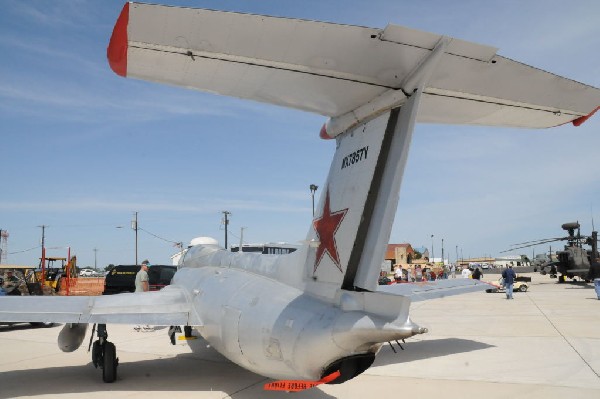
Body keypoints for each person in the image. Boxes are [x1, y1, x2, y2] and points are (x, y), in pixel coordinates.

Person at [134, 260, 152, 331]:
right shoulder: (144, 273)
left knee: (138, 310)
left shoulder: (139, 273)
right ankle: (146, 325)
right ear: (143, 265)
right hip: (142, 294)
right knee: (145, 310)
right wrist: (146, 293)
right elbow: (144, 283)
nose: (148, 268)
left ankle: (137, 325)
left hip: (138, 293)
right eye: (147, 266)